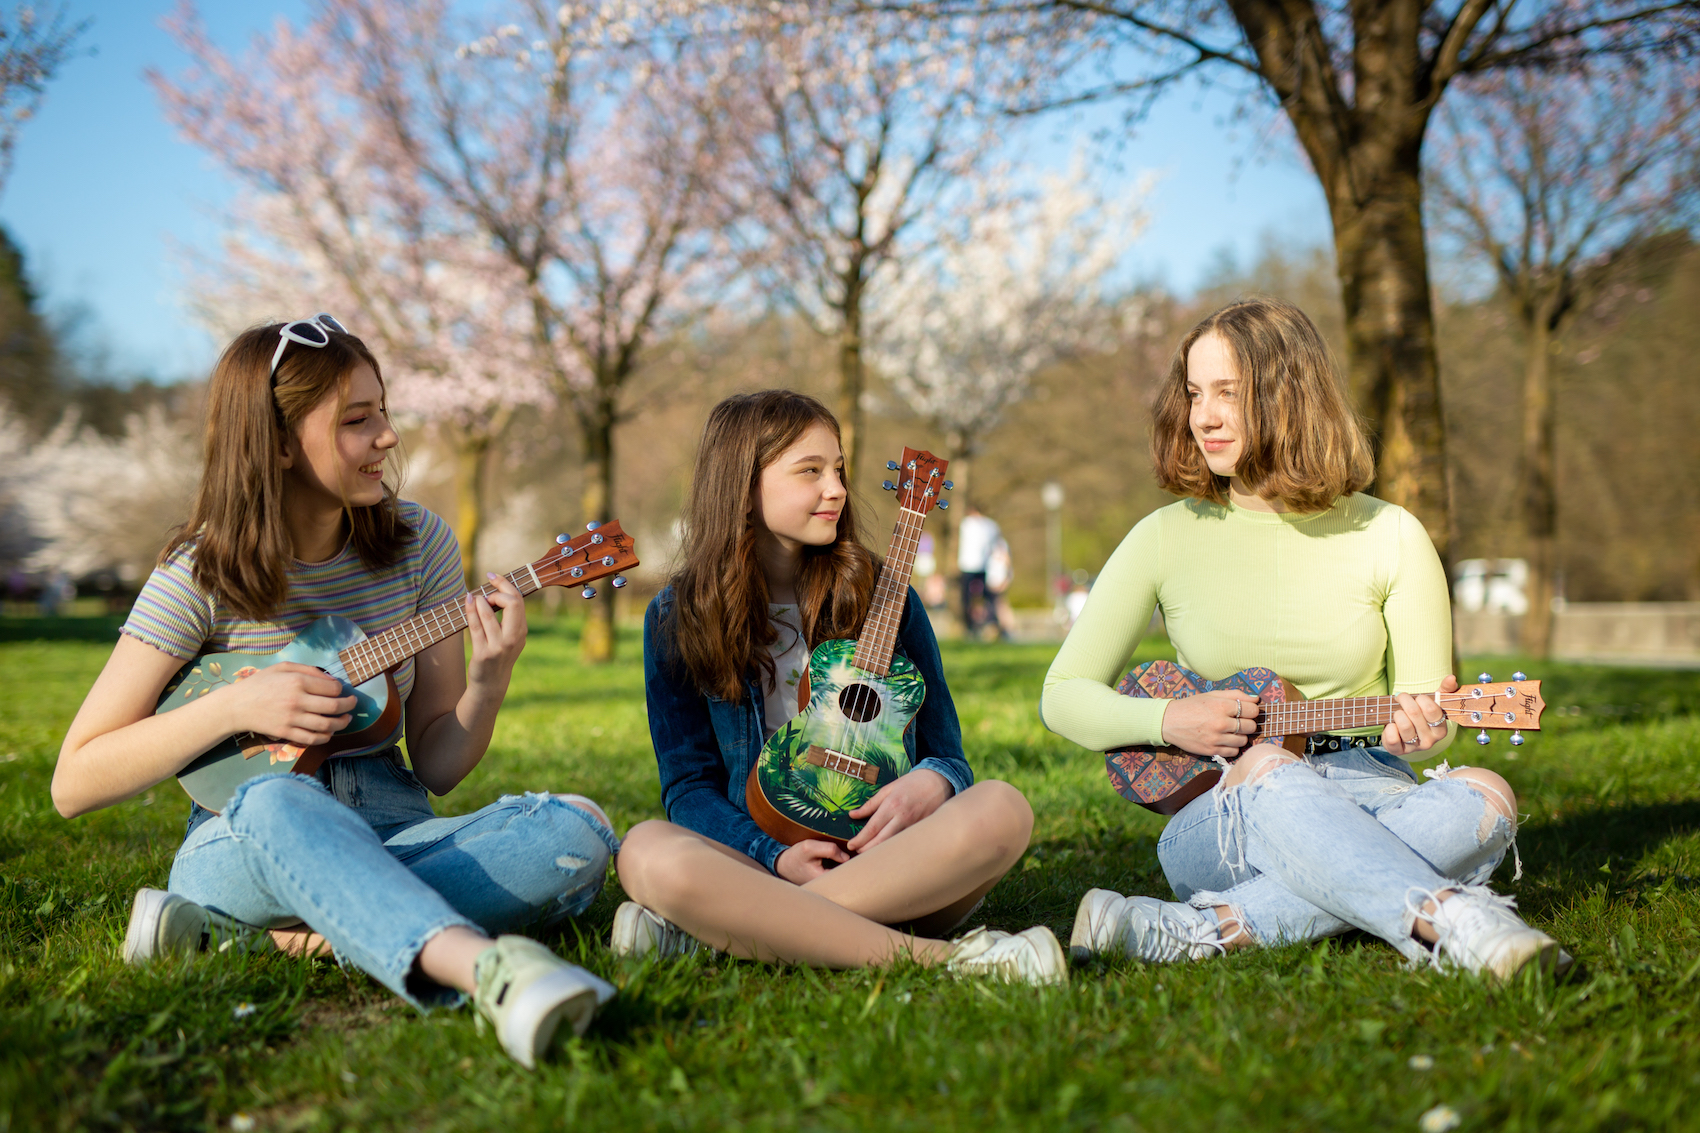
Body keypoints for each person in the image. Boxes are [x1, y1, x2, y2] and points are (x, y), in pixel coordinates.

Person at [50, 316, 620, 1069]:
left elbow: (441, 764)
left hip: (395, 828)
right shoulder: (201, 571)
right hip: (248, 837)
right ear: (277, 442)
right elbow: (73, 780)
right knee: (279, 800)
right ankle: (485, 970)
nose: (387, 436)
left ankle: (268, 934)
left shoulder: (422, 544)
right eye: (357, 420)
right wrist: (232, 707)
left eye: (383, 410)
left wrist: (489, 678)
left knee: (577, 828)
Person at [1043, 298, 1569, 979]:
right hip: (1224, 814)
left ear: (1289, 396)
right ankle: (1452, 918)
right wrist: (1169, 717)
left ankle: (1196, 927)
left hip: (1371, 787)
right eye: (1196, 393)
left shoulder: (1391, 536)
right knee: (1267, 766)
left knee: (1487, 794)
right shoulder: (1163, 536)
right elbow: (1062, 696)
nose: (1203, 416)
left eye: (1228, 394)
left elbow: (1427, 721)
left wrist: (1416, 733)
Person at [612, 390, 1063, 984]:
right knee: (645, 847)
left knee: (1003, 808)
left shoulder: (886, 592)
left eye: (840, 469)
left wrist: (931, 783)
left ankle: (727, 932)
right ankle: (953, 961)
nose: (838, 490)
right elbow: (689, 787)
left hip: (888, 863)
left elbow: (947, 754)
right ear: (742, 488)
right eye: (810, 472)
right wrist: (774, 856)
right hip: (756, 857)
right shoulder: (679, 615)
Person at [956, 505, 1001, 635]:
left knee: (968, 597)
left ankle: (971, 625)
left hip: (969, 565)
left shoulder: (966, 524)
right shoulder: (991, 525)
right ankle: (990, 622)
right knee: (986, 597)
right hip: (982, 565)